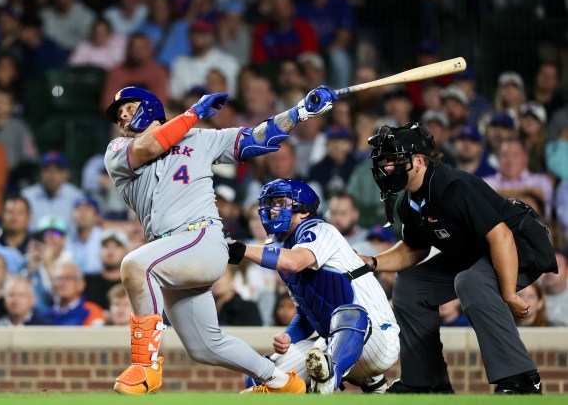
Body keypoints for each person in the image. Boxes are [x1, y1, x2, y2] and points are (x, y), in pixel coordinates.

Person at [103, 83, 337, 394]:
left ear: (150, 108)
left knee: (135, 265)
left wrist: (301, 111)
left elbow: (259, 139)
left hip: (201, 238)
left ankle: (145, 367)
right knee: (205, 346)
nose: (123, 117)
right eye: (119, 115)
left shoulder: (200, 138)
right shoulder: (117, 151)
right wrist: (194, 112)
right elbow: (150, 147)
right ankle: (282, 382)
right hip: (170, 252)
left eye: (129, 109)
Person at [362, 121, 557, 394]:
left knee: (470, 281)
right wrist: (371, 262)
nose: (387, 169)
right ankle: (426, 383)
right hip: (475, 252)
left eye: (394, 161)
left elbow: (501, 237)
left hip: (520, 245)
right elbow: (413, 249)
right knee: (410, 285)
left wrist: (510, 295)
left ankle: (522, 378)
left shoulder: (453, 186)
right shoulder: (408, 201)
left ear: (418, 161)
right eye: (384, 163)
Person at [227, 179, 399, 394]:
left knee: (350, 314)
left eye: (280, 202)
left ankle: (337, 381)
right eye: (270, 203)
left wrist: (242, 250)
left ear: (304, 210)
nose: (272, 210)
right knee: (262, 377)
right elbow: (307, 312)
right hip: (334, 347)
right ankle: (368, 383)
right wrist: (290, 336)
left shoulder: (321, 229)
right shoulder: (282, 249)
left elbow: (295, 261)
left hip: (379, 339)